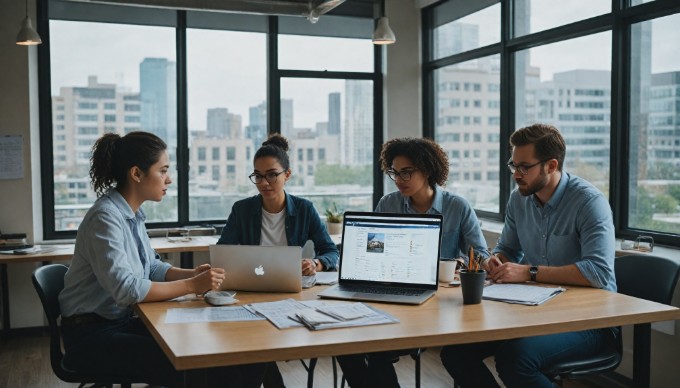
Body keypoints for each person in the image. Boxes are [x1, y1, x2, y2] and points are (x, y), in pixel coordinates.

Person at [58, 131, 265, 388]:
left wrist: (192, 274)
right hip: (91, 337)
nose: (169, 179)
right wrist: (192, 286)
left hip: (119, 323)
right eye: (163, 170)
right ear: (137, 174)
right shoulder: (105, 218)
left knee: (223, 350)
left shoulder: (132, 214)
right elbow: (126, 290)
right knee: (194, 360)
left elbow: (152, 267)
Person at [440, 123, 618, 388]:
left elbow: (598, 272)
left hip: (589, 321)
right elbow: (509, 249)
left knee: (516, 357)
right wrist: (496, 260)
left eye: (524, 167)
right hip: (533, 311)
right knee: (456, 352)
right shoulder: (518, 199)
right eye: (514, 166)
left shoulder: (588, 202)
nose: (516, 174)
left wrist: (529, 272)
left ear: (551, 165)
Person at [336, 137, 488, 388]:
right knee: (347, 343)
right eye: (394, 173)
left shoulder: (456, 206)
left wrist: (458, 263)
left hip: (436, 304)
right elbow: (375, 247)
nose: (399, 180)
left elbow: (481, 254)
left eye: (407, 172)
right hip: (391, 293)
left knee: (375, 347)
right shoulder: (388, 203)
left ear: (427, 170)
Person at [218, 133, 339, 387]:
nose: (265, 182)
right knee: (249, 349)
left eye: (272, 174)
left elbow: (330, 251)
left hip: (291, 296)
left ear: (287, 174)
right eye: (258, 176)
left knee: (255, 352)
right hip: (250, 295)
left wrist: (315, 264)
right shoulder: (242, 210)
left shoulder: (304, 209)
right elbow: (223, 254)